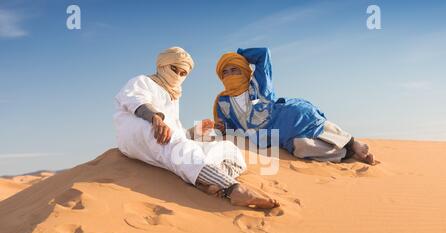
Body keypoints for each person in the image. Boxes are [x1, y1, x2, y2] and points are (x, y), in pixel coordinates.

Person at [114, 47, 278, 209]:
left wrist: (194, 131)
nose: (178, 76)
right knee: (180, 150)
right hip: (139, 130)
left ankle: (207, 181)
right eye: (174, 69)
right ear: (162, 65)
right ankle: (233, 190)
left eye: (183, 73)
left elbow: (176, 131)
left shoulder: (172, 96)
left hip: (165, 138)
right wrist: (155, 118)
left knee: (229, 150)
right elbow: (135, 100)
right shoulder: (143, 81)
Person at [213, 47, 375, 164]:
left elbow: (264, 54)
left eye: (235, 69)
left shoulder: (258, 83)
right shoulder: (223, 102)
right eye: (225, 72)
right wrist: (221, 128)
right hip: (273, 136)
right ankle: (346, 154)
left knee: (311, 121)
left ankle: (352, 143)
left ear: (244, 70)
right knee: (302, 147)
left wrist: (239, 55)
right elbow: (228, 127)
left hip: (287, 114)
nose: (230, 75)